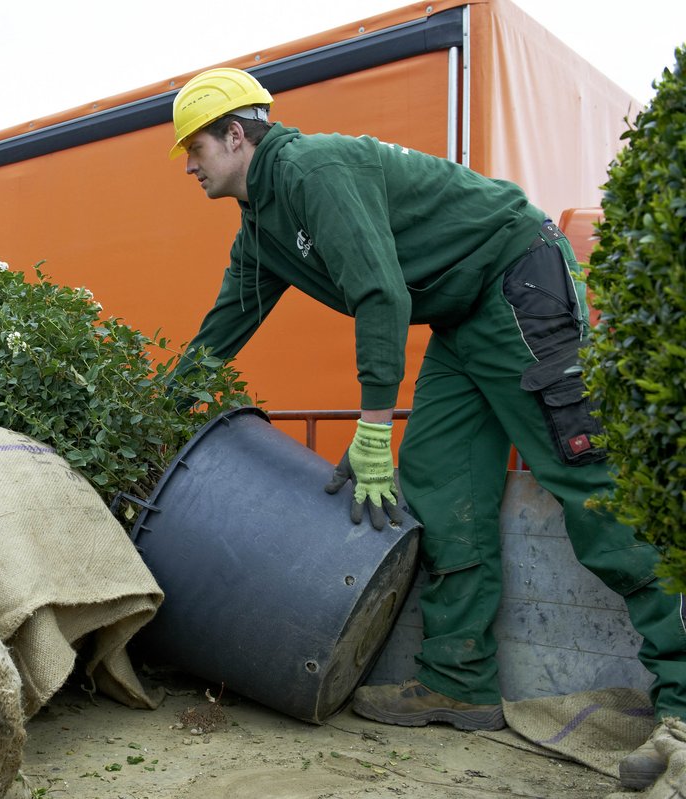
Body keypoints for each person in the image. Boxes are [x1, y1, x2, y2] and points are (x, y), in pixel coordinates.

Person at [166, 66, 686, 790]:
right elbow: (224, 326)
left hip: (516, 277)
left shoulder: (314, 169)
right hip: (462, 315)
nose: (188, 164)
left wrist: (371, 427)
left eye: (195, 147)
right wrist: (159, 404)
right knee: (441, 482)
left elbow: (381, 293)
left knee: (589, 483)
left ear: (235, 134)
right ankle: (458, 679)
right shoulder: (262, 229)